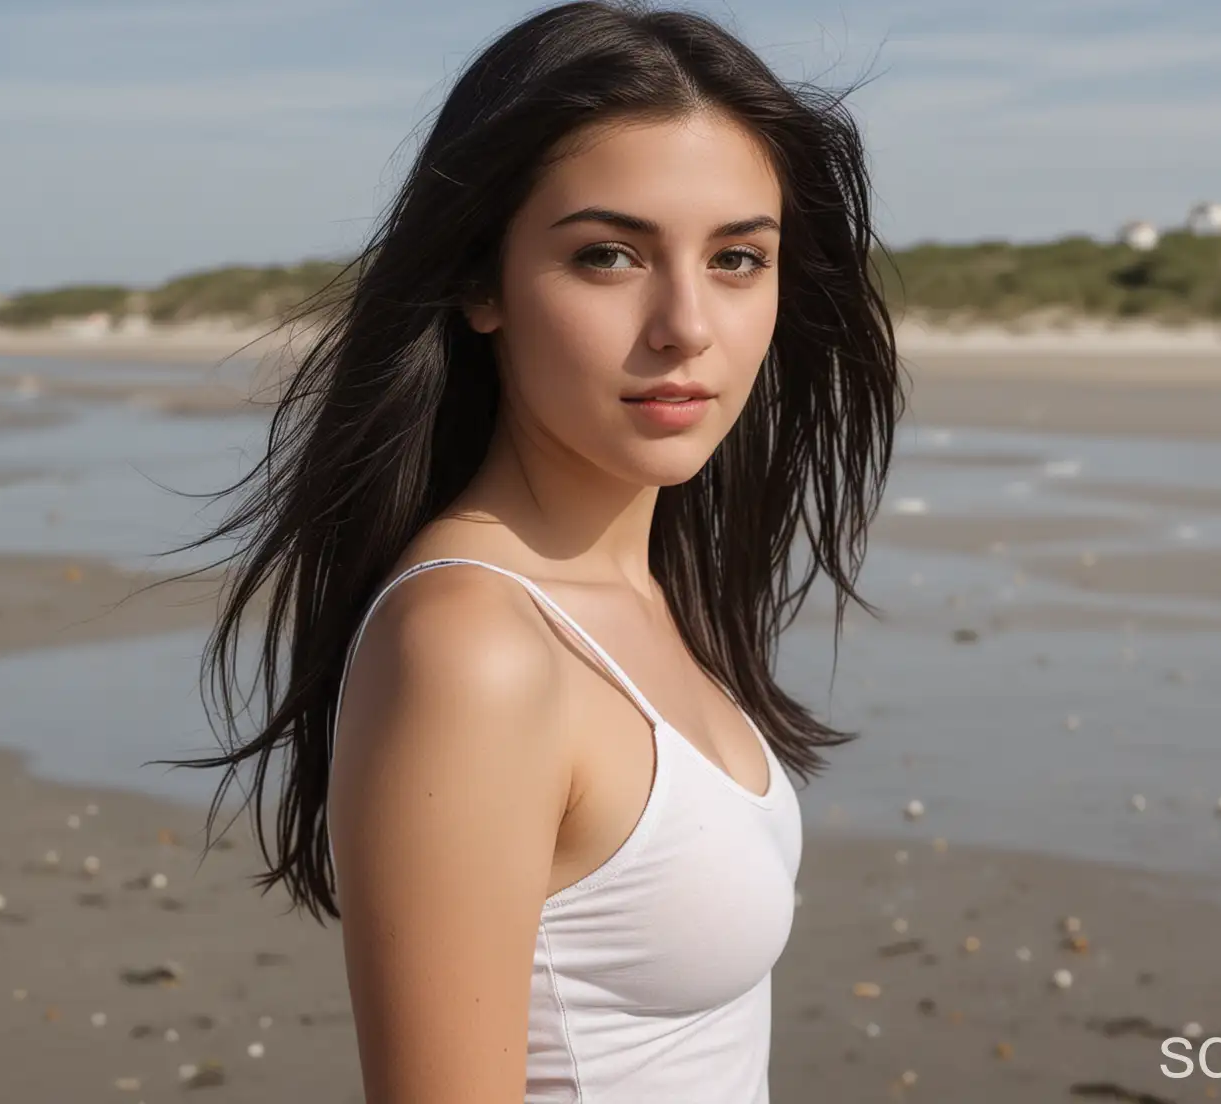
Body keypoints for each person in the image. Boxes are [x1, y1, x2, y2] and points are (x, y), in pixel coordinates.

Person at [179, 3, 902, 1100]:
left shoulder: (648, 592)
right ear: (481, 282)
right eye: (609, 255)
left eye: (738, 257)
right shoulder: (473, 648)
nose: (687, 325)